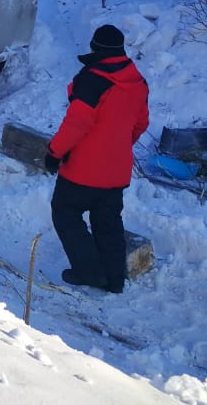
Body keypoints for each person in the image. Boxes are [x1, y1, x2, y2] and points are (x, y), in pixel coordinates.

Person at [43, 24, 150, 294]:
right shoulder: (137, 82)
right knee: (108, 224)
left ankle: (89, 272)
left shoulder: (92, 80)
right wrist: (118, 147)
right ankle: (114, 279)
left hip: (83, 170)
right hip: (117, 171)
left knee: (65, 212)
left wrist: (54, 152)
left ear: (95, 48)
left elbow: (77, 123)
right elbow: (141, 123)